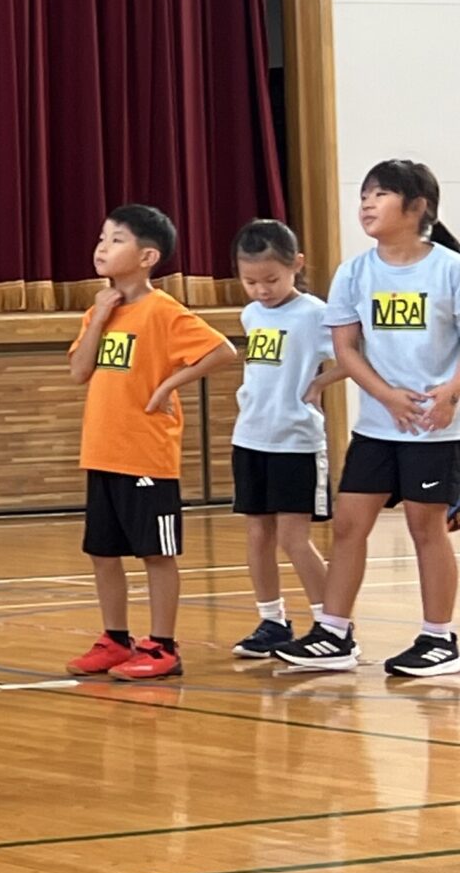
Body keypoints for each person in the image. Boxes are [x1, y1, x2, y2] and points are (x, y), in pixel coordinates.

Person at [278, 161, 460, 678]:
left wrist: (448, 392)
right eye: (364, 195)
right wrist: (387, 397)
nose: (366, 204)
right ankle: (334, 633)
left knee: (427, 528)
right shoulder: (355, 271)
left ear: (417, 206)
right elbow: (346, 348)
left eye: (380, 194)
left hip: (434, 427)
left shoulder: (449, 269)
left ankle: (438, 639)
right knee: (348, 524)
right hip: (378, 426)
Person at [63, 207, 236, 680]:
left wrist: (167, 386)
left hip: (146, 455)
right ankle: (115, 638)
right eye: (101, 238)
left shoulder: (164, 312)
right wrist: (99, 316)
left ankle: (162, 646)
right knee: (103, 551)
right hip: (103, 450)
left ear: (147, 256)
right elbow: (80, 372)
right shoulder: (99, 310)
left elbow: (223, 350)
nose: (101, 247)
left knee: (156, 553)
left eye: (115, 240)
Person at [227, 219, 343, 656]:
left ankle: (332, 623)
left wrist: (321, 382)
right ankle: (272, 622)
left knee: (295, 538)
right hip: (251, 437)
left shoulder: (315, 313)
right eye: (250, 280)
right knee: (257, 535)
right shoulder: (251, 314)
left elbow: (356, 356)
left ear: (297, 264)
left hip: (295, 442)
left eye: (271, 279)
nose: (261, 289)